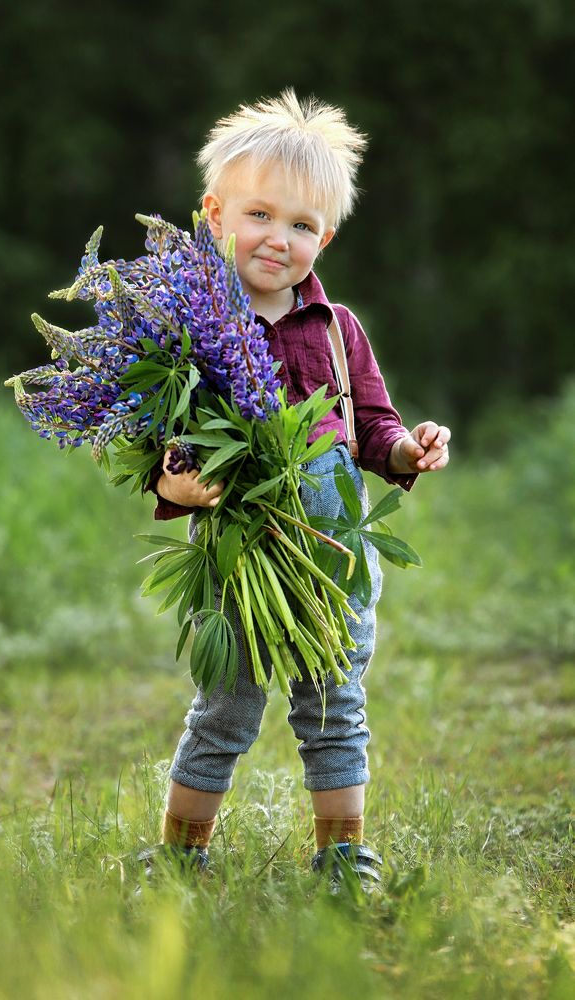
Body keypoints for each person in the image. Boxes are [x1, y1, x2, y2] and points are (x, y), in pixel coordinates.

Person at [139, 90, 450, 889]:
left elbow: (371, 426)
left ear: (327, 236)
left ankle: (344, 852)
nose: (279, 239)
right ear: (214, 215)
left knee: (333, 707)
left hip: (336, 554)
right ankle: (179, 855)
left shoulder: (338, 328)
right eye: (260, 215)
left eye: (302, 225)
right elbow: (166, 455)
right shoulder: (188, 333)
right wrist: (186, 488)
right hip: (239, 561)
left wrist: (407, 453)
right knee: (223, 711)